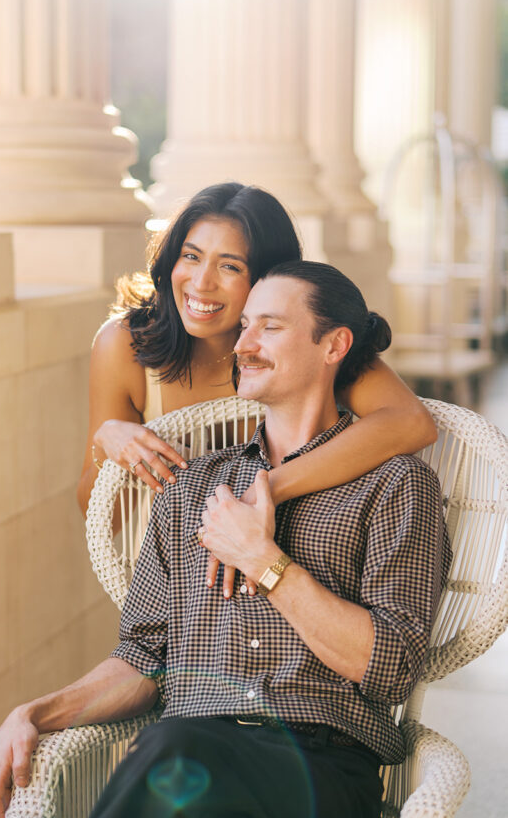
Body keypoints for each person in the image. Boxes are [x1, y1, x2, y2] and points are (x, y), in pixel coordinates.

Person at [0, 261, 451, 818]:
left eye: (269, 326)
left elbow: (388, 668)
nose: (241, 345)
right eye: (243, 328)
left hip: (322, 793)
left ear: (332, 345)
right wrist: (36, 713)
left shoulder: (395, 486)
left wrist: (265, 563)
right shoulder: (192, 488)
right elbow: (144, 659)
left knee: (177, 749)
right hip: (191, 786)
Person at [77, 183, 436, 596]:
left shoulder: (305, 344)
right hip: (178, 593)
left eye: (230, 267)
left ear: (268, 277)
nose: (201, 282)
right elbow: (101, 515)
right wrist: (107, 442)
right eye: (190, 256)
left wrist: (268, 488)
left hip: (295, 572)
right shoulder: (125, 345)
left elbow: (411, 423)